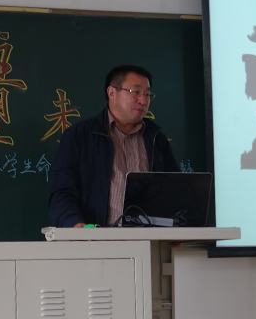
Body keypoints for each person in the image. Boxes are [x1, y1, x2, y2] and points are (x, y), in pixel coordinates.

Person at [48, 65, 179, 227]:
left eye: (147, 94)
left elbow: (174, 190)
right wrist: (75, 224)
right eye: (136, 92)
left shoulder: (156, 138)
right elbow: (61, 191)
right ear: (112, 93)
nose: (143, 101)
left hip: (150, 238)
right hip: (97, 237)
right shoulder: (80, 135)